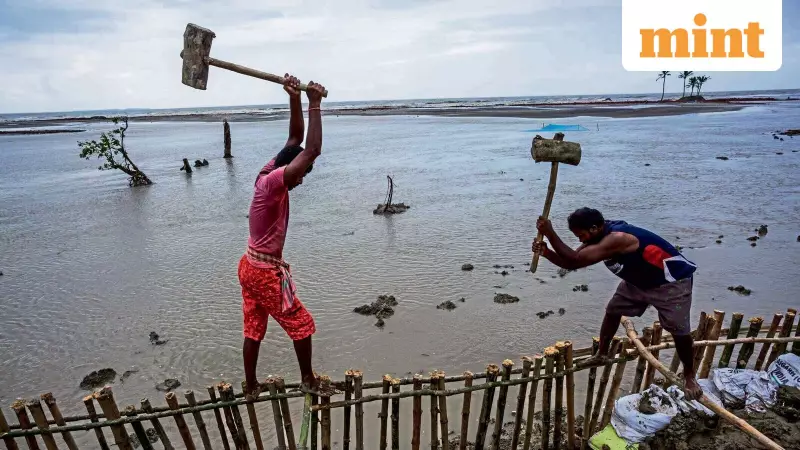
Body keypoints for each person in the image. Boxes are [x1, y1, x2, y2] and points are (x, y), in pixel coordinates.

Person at [532, 207, 701, 399]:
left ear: (595, 228)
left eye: (581, 235)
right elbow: (572, 262)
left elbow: (575, 258)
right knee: (612, 310)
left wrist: (550, 233)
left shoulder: (617, 238)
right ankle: (602, 354)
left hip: (670, 282)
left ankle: (689, 375)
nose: (580, 240)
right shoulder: (595, 238)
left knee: (679, 330)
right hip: (639, 281)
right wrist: (547, 253)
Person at [238, 74, 326, 396]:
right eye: (301, 176)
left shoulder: (267, 171)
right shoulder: (274, 184)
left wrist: (293, 97)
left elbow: (295, 139)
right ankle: (308, 380)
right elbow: (312, 148)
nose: (301, 182)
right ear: (291, 170)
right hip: (263, 272)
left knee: (254, 326)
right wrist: (314, 103)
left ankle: (250, 385)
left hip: (248, 266)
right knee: (301, 324)